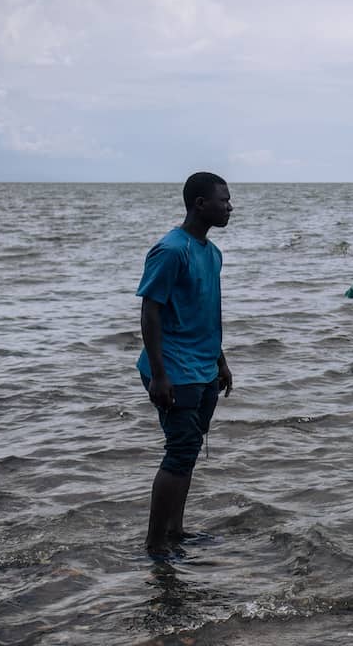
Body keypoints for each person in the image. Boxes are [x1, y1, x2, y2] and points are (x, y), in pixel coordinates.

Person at [135, 172, 234, 558]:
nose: (229, 207)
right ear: (199, 204)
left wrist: (221, 361)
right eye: (223, 200)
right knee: (180, 451)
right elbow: (150, 311)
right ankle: (155, 546)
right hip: (173, 369)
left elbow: (207, 313)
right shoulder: (171, 250)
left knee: (189, 450)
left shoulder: (211, 252)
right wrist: (159, 374)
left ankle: (175, 532)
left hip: (203, 367)